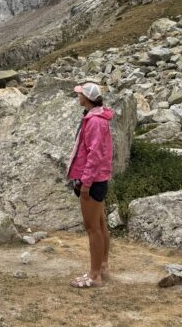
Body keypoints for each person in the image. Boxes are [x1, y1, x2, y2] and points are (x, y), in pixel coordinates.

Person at [66, 82, 114, 288]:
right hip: (99, 179)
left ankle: (94, 276)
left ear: (87, 98)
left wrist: (85, 182)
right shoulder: (98, 117)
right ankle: (102, 265)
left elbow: (94, 155)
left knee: (92, 228)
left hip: (92, 181)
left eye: (80, 94)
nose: (78, 97)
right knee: (100, 224)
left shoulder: (94, 121)